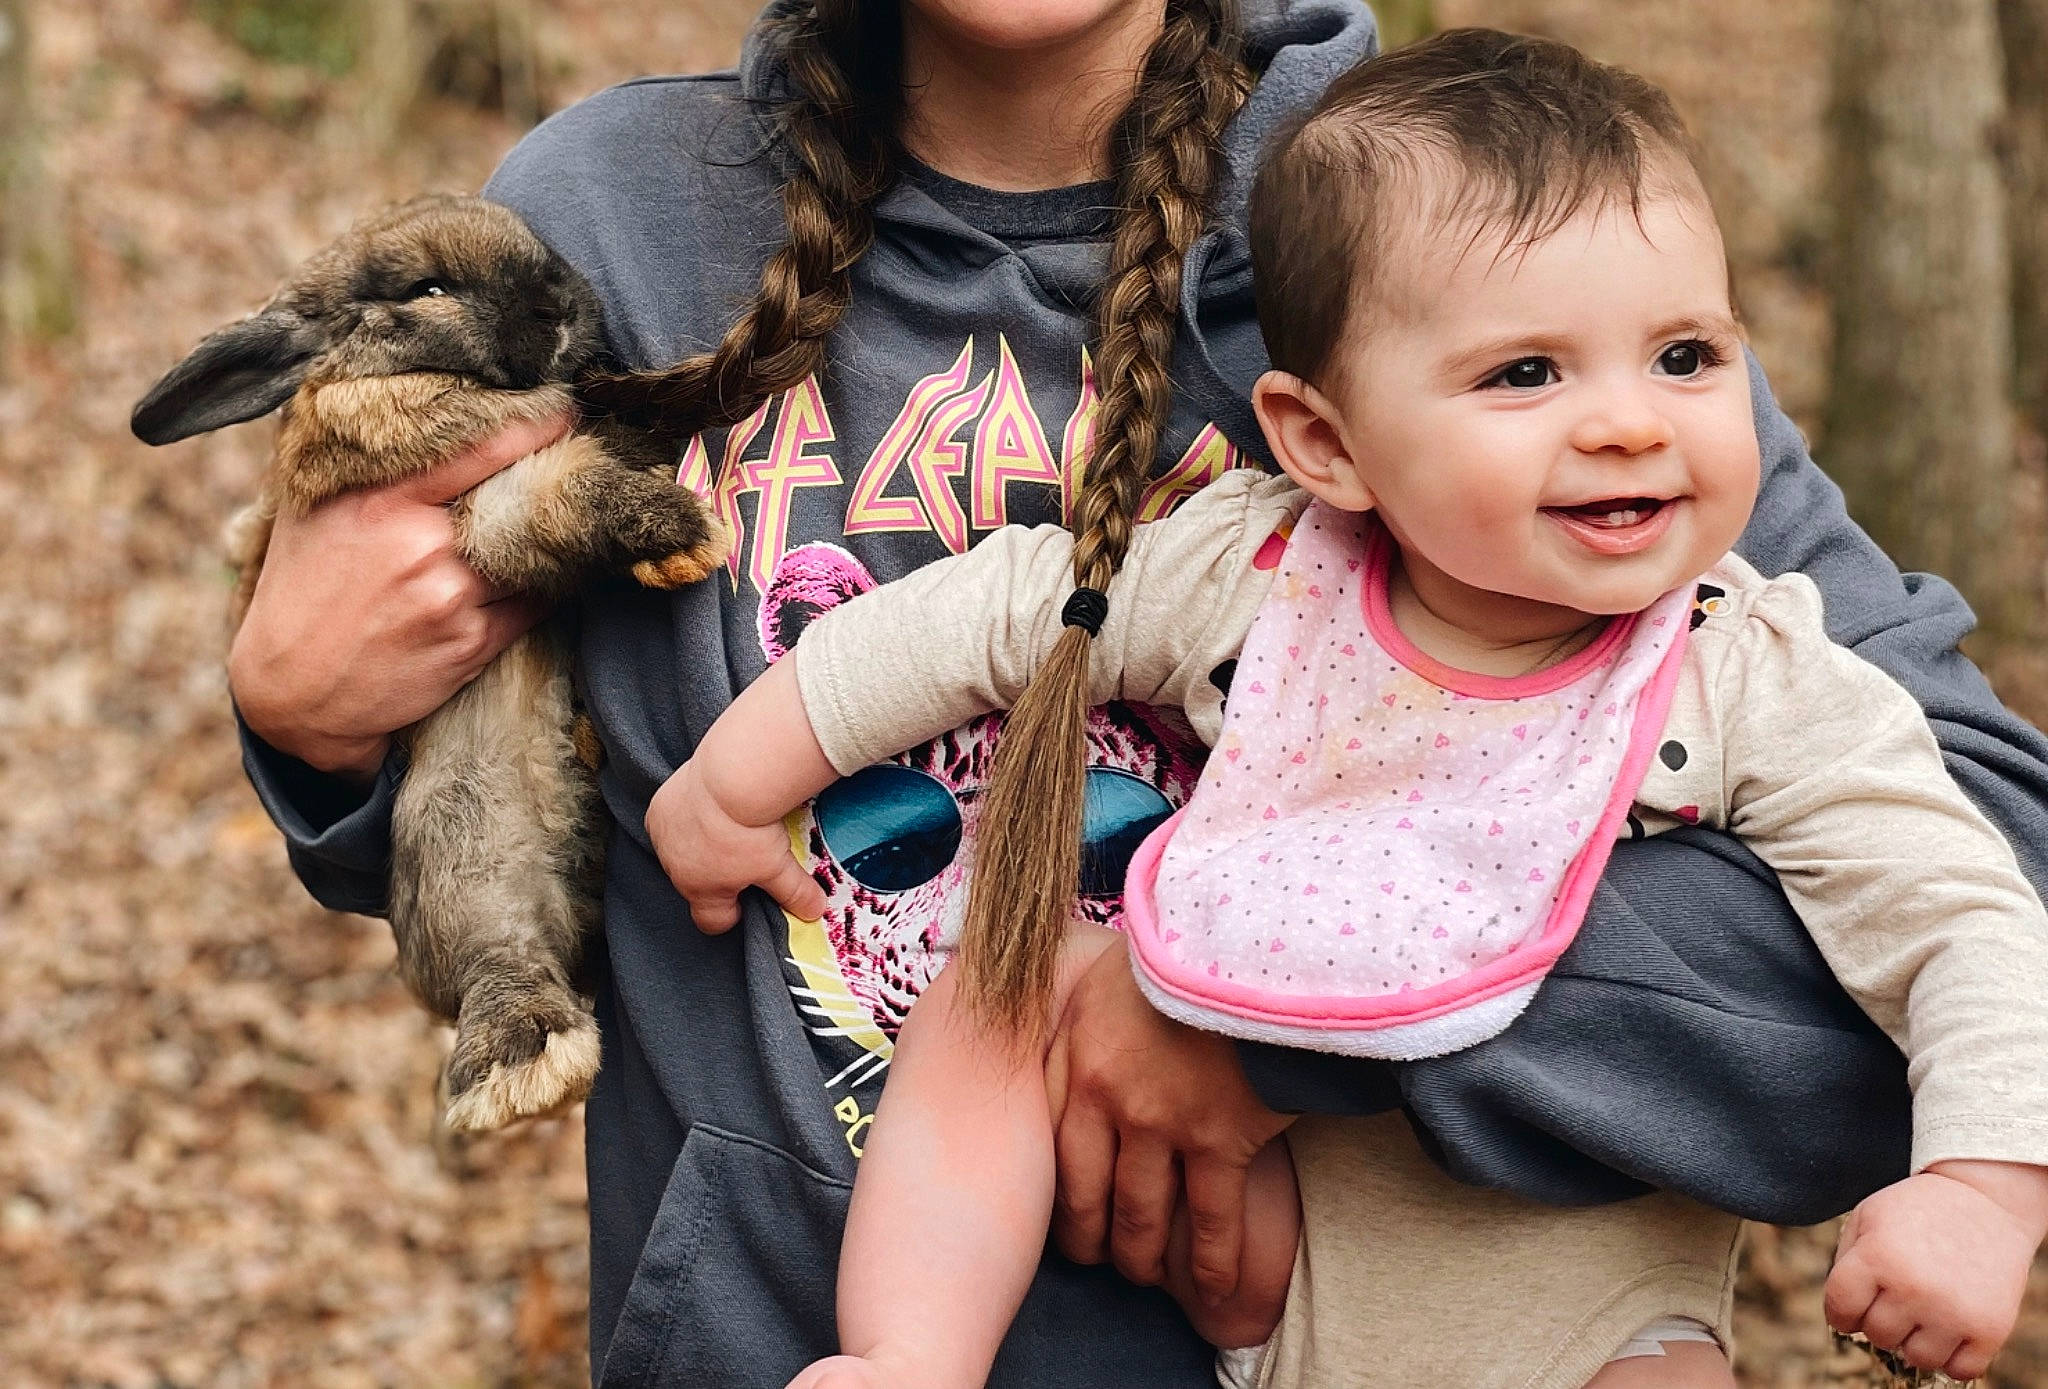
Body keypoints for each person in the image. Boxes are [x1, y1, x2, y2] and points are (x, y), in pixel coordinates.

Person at [222, 2, 2048, 1385]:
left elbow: (1971, 874)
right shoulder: (610, 223)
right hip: (789, 1334)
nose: (1625, 396)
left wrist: (1253, 1006)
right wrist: (315, 730)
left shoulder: (1469, 211)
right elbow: (499, 801)